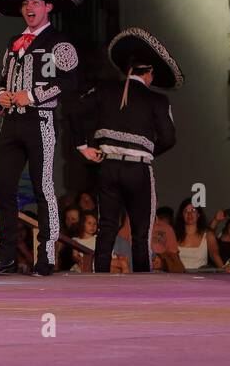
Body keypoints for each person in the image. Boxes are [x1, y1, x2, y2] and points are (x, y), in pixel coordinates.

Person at [0, 0, 84, 276]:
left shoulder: (60, 43)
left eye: (36, 3)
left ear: (48, 7)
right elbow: (3, 80)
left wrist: (31, 95)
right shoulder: (12, 42)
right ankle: (6, 256)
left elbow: (71, 82)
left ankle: (47, 256)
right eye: (26, 3)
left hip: (40, 120)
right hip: (11, 121)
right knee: (4, 188)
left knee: (43, 188)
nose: (30, 7)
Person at [76, 27, 181, 274]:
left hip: (109, 166)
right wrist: (146, 152)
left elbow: (77, 112)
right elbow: (169, 138)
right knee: (141, 230)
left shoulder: (104, 89)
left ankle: (100, 276)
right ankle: (143, 279)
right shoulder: (157, 100)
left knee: (107, 226)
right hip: (137, 169)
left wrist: (84, 147)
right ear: (149, 74)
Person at [174, 198, 223, 271]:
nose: (189, 214)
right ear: (182, 215)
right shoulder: (173, 235)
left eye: (193, 210)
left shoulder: (208, 235)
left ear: (198, 214)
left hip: (200, 279)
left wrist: (224, 269)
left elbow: (215, 255)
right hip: (178, 279)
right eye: (186, 211)